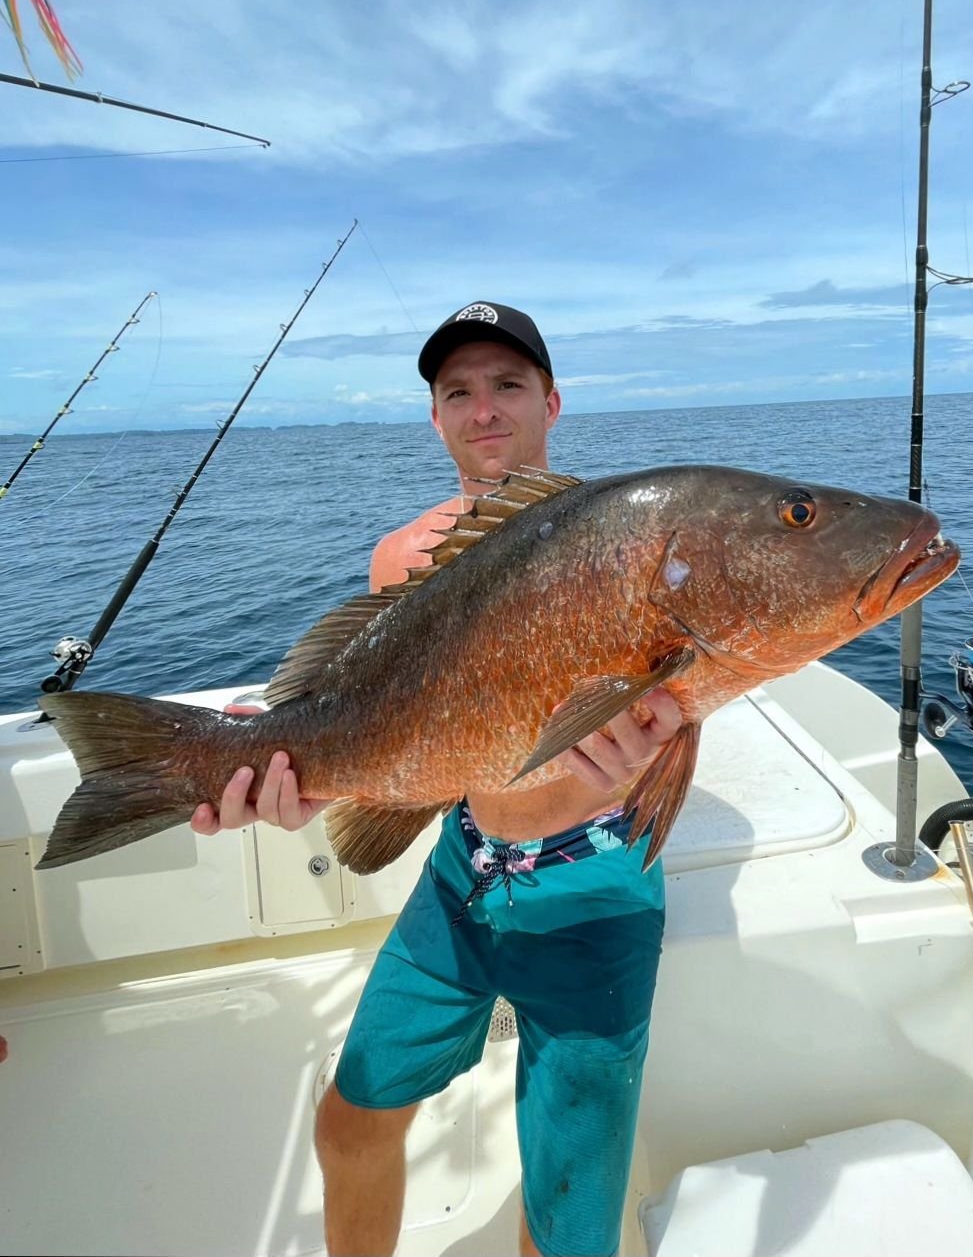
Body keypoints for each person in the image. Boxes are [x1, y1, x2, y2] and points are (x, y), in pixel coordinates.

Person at [191, 302, 683, 1257]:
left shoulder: (630, 548)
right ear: (434, 417)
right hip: (462, 874)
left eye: (507, 384)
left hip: (597, 890)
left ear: (551, 400)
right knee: (349, 1122)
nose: (483, 408)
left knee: (569, 1218)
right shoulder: (401, 556)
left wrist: (655, 751)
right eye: (457, 390)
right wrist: (309, 773)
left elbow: (678, 708)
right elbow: (398, 728)